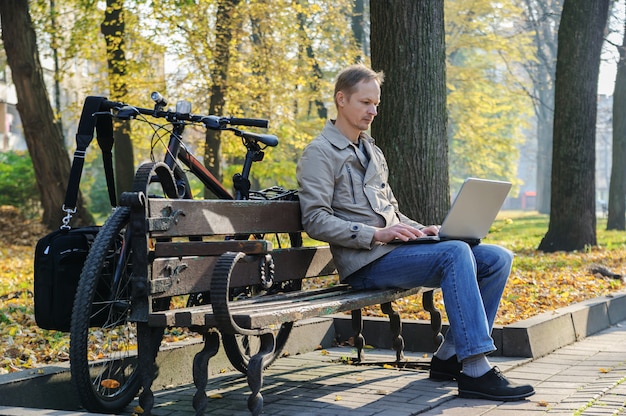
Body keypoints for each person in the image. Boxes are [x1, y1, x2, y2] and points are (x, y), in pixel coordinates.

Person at [296, 63, 535, 402]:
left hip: (395, 254)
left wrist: (418, 228)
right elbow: (315, 220)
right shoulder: (319, 153)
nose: (373, 111)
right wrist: (376, 235)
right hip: (365, 263)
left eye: (375, 104)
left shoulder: (372, 152)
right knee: (455, 253)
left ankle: (449, 356)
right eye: (365, 103)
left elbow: (389, 209)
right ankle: (476, 368)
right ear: (341, 99)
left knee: (497, 257)